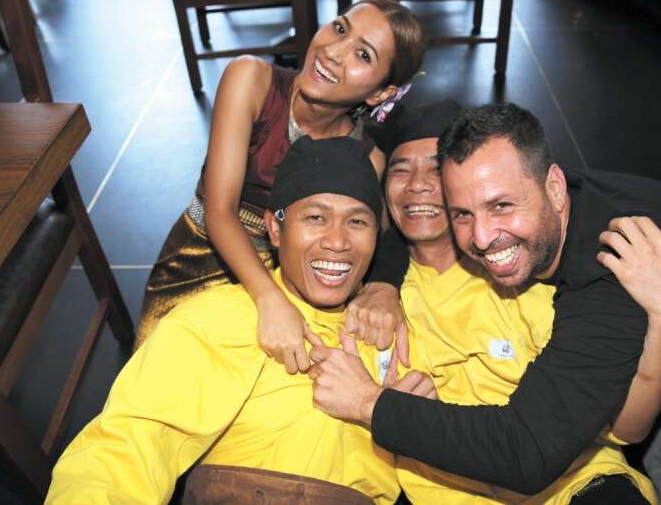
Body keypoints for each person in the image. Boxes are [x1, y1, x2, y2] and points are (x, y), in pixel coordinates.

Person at [310, 103, 661, 505]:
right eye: (464, 214)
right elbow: (407, 226)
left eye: (501, 206)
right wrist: (384, 280)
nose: (482, 237)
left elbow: (532, 451)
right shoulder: (526, 190)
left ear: (555, 189)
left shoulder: (608, 272)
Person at [46, 137, 434, 505]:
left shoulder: (396, 328)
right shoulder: (219, 319)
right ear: (275, 228)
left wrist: (411, 424)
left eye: (357, 222)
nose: (337, 241)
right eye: (316, 217)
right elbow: (128, 445)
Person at [373, 99, 661, 504]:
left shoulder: (549, 277)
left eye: (500, 205)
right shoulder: (369, 289)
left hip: (575, 483)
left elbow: (622, 429)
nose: (418, 184)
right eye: (400, 170)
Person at [136, 0, 425, 375]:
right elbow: (220, 211)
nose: (333, 52)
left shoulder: (366, 158)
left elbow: (385, 235)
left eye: (363, 55)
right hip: (205, 253)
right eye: (340, 28)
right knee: (166, 372)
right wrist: (270, 299)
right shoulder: (251, 80)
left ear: (380, 94)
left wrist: (383, 288)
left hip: (299, 273)